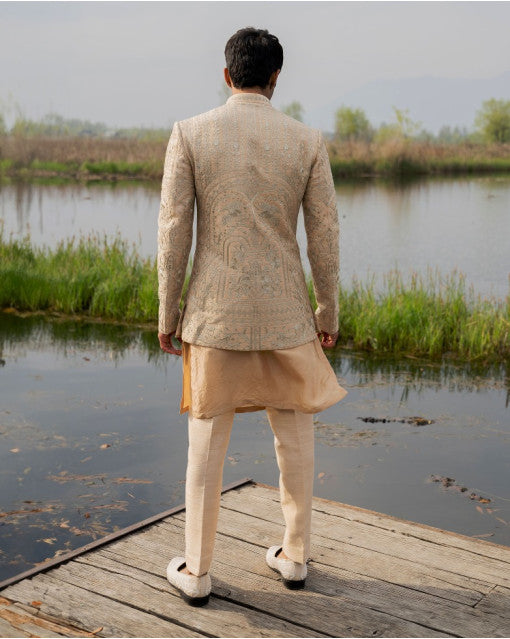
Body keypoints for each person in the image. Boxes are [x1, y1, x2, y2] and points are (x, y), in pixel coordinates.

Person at [158, 27, 347, 606]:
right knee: (295, 436)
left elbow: (173, 230)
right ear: (275, 78)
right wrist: (328, 309)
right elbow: (325, 234)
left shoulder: (190, 133)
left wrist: (167, 311)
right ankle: (295, 557)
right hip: (288, 314)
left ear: (226, 74)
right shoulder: (306, 140)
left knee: (206, 442)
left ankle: (197, 570)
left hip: (213, 315)